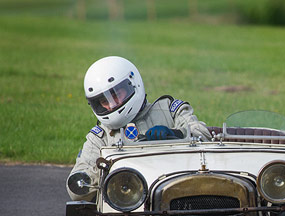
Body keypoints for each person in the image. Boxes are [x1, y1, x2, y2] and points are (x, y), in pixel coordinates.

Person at [66, 56, 211, 201]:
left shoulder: (169, 110)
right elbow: (76, 190)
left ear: (133, 85)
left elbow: (202, 135)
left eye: (116, 95)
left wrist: (176, 134)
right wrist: (107, 166)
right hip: (126, 204)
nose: (111, 105)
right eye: (104, 101)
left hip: (177, 192)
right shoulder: (100, 137)